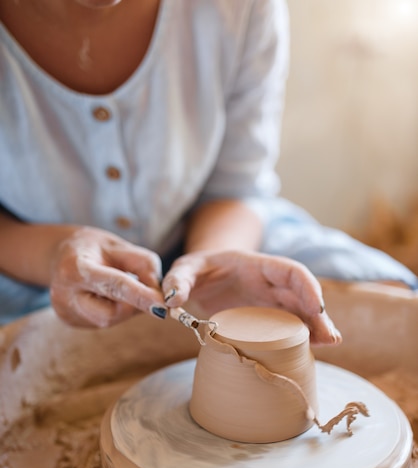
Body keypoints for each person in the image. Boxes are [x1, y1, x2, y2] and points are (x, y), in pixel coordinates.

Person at [0, 0, 415, 345]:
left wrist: (214, 261)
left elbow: (237, 187)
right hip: (28, 269)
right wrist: (52, 254)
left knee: (391, 305)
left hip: (209, 234)